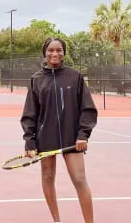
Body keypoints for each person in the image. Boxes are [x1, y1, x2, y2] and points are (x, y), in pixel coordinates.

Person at [21, 38, 98, 223]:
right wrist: (30, 142)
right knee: (47, 178)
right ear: (44, 52)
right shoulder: (36, 79)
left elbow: (87, 109)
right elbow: (30, 114)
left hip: (72, 138)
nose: (55, 54)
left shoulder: (75, 76)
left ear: (64, 53)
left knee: (80, 180)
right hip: (45, 138)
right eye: (51, 50)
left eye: (59, 50)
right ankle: (57, 221)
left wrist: (83, 134)